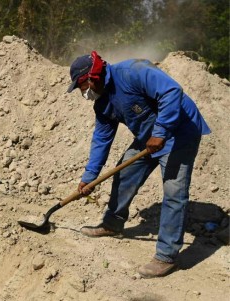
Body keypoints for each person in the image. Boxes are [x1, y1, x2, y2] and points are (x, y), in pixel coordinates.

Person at [67, 51, 210, 278]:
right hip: (149, 138)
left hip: (180, 133)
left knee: (173, 192)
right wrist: (90, 176)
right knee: (124, 174)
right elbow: (101, 140)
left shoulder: (133, 72)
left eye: (83, 86)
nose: (84, 93)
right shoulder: (102, 103)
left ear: (93, 77)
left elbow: (172, 91)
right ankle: (112, 223)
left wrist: (161, 132)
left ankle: (166, 256)